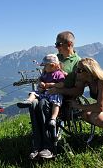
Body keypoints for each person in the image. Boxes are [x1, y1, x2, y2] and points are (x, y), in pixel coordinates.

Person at [18, 31, 81, 159]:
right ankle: (37, 145)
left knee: (41, 104)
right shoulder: (53, 58)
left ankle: (48, 147)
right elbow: (42, 76)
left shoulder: (78, 62)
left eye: (59, 44)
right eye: (55, 44)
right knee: (34, 103)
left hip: (64, 98)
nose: (56, 47)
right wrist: (41, 84)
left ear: (69, 44)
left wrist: (59, 90)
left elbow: (78, 90)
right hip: (47, 94)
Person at [17, 54, 66, 127]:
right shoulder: (45, 73)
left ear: (52, 65)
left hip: (54, 93)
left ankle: (53, 118)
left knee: (56, 103)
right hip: (44, 92)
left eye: (45, 66)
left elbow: (62, 84)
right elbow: (39, 79)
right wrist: (41, 83)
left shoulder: (59, 74)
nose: (44, 68)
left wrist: (51, 85)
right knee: (33, 93)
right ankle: (29, 101)